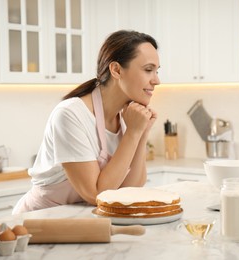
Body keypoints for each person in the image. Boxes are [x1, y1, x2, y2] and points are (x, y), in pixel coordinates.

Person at [12, 30, 160, 214]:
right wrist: (133, 133)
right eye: (148, 70)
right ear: (116, 70)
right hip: (38, 223)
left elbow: (132, 189)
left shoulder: (125, 118)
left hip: (78, 222)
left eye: (156, 71)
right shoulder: (70, 114)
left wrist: (141, 131)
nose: (157, 80)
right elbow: (96, 194)